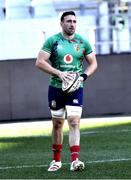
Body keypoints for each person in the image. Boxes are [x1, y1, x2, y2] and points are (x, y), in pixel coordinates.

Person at [35, 11, 97, 172]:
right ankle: (56, 161)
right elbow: (40, 62)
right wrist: (59, 73)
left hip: (76, 88)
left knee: (74, 122)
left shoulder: (83, 42)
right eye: (68, 21)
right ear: (61, 23)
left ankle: (75, 160)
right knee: (57, 124)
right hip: (56, 87)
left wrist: (83, 77)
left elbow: (93, 64)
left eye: (74, 21)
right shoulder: (53, 41)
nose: (72, 24)